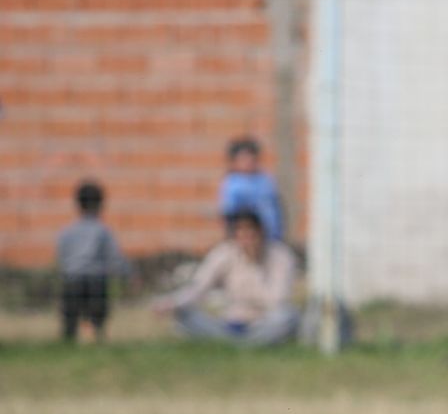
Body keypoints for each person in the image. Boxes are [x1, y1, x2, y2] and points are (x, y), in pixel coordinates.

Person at [151, 210, 300, 345]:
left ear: (261, 233)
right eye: (241, 234)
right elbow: (198, 288)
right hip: (231, 323)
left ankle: (239, 344)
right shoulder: (225, 254)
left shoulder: (280, 256)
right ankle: (243, 344)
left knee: (288, 316)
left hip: (264, 322)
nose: (247, 240)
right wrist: (173, 303)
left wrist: (255, 265)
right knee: (184, 315)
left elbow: (277, 300)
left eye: (252, 234)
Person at [55, 180, 133, 343]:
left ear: (78, 204)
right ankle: (97, 335)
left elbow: (62, 255)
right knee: (98, 314)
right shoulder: (102, 230)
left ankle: (69, 339)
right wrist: (127, 274)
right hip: (95, 280)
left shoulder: (68, 231)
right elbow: (114, 256)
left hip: (72, 279)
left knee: (71, 316)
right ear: (101, 204)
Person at [217, 136, 284, 242]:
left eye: (251, 158)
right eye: (243, 159)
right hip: (246, 241)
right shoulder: (232, 185)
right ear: (234, 162)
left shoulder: (265, 180)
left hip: (271, 238)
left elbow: (277, 207)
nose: (248, 162)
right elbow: (229, 215)